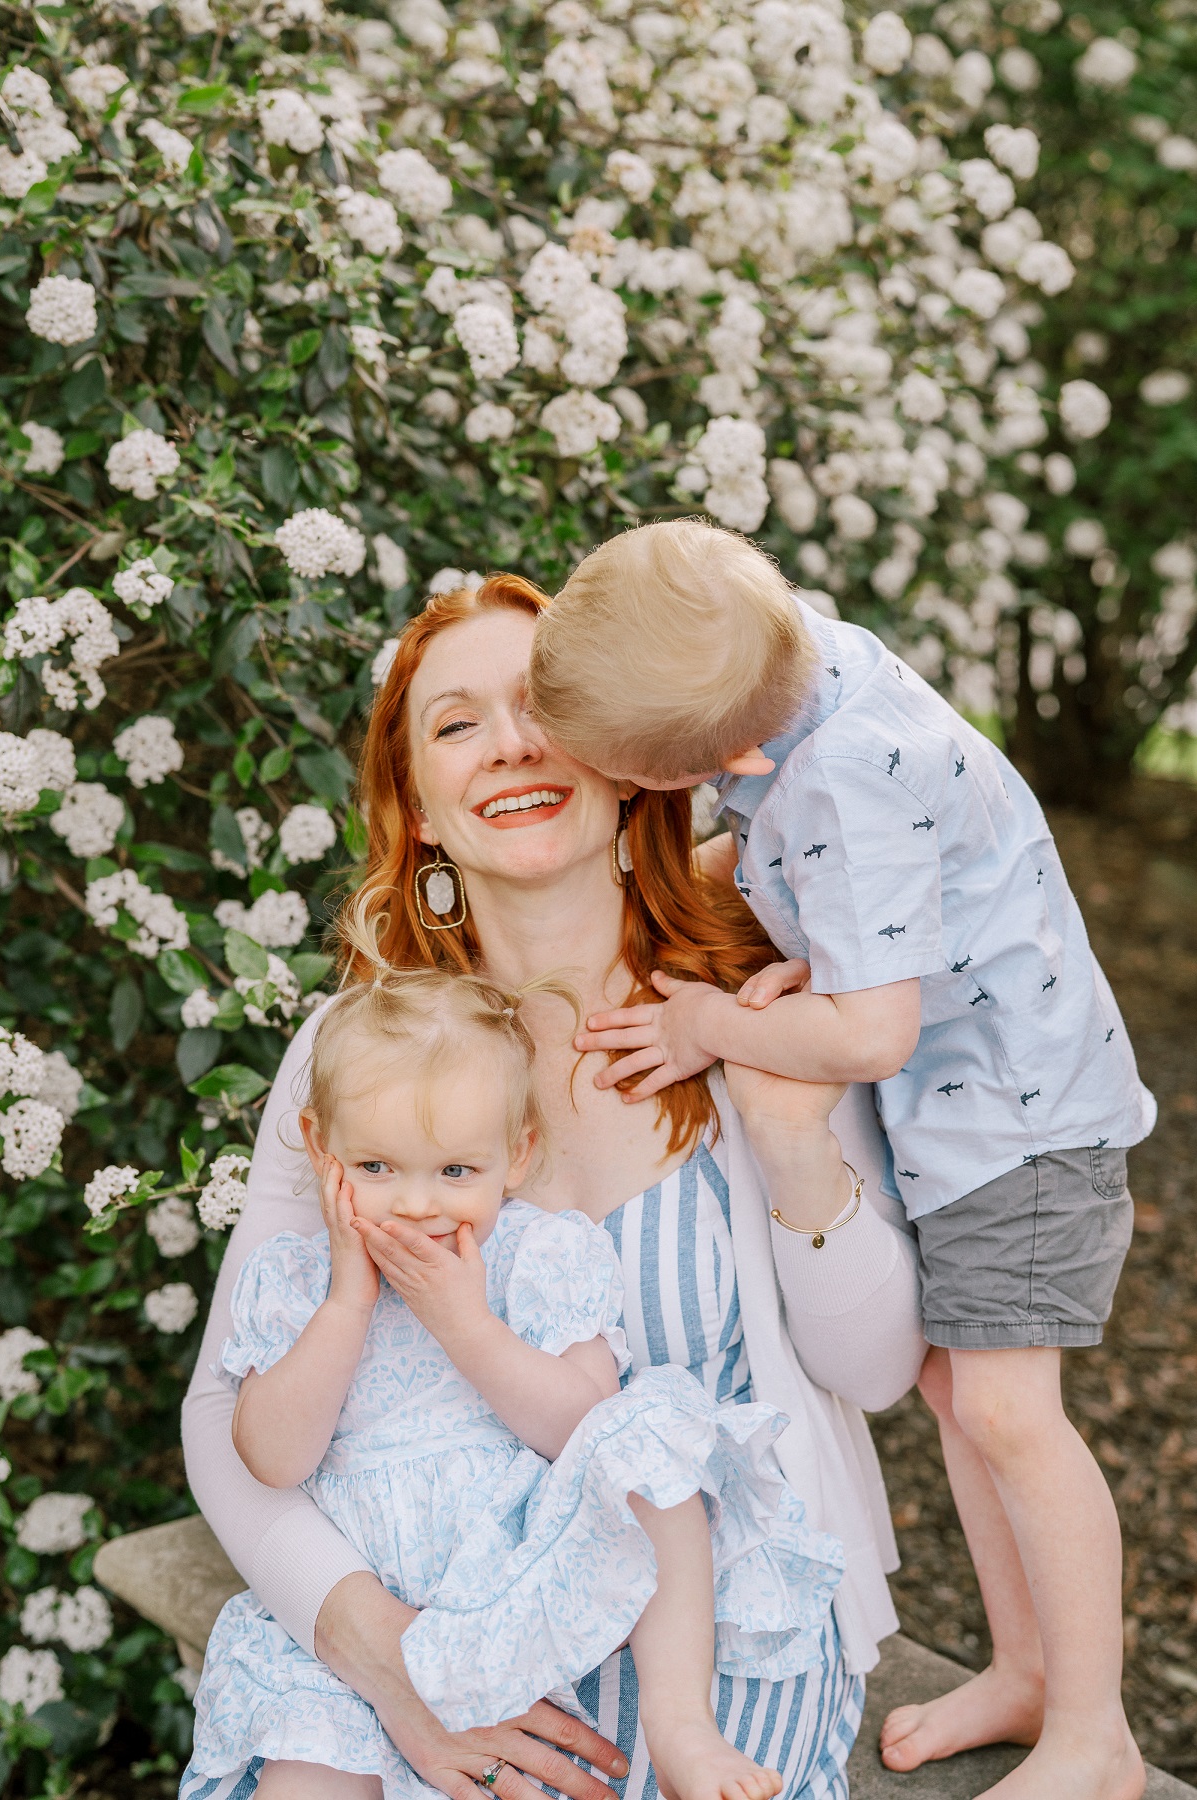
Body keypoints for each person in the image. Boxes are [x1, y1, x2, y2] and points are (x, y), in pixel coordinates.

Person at [183, 575, 926, 1800]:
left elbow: (879, 1370)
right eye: (456, 724)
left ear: (627, 758)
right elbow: (228, 1416)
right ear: (416, 808)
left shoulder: (761, 1002)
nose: (513, 745)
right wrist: (388, 1659)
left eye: (542, 707)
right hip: (423, 1652)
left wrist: (797, 1149)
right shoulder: (353, 1052)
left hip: (726, 1665)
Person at [533, 520, 1153, 1799]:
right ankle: (1029, 1669)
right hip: (977, 1119)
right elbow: (769, 851)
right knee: (953, 1395)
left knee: (1006, 1415)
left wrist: (706, 1021)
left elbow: (872, 1033)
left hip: (1023, 1134)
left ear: (741, 755)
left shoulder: (847, 781)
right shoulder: (792, 656)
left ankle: (1098, 1735)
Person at [187, 968, 841, 1800]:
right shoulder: (296, 1281)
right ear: (322, 1151)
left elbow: (584, 1426)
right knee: (302, 1779)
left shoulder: (537, 1257)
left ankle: (682, 1730)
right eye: (377, 1166)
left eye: (456, 1171)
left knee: (648, 1440)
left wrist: (467, 1326)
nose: (416, 1205)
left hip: (507, 1574)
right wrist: (347, 1303)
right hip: (361, 1605)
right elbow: (269, 1459)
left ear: (515, 1155)